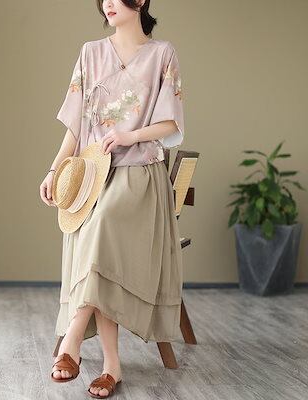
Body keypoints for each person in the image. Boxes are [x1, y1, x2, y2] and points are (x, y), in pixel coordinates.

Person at [40, 0, 185, 397]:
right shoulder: (90, 53)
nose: (106, 2)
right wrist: (54, 170)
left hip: (139, 177)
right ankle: (111, 366)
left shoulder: (162, 54)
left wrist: (128, 136)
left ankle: (72, 340)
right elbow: (75, 127)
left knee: (101, 226)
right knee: (99, 236)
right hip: (92, 177)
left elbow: (170, 122)